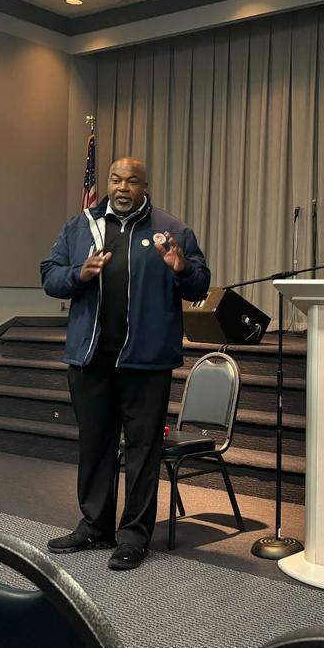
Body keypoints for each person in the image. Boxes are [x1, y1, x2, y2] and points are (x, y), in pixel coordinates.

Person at [40, 157, 210, 570]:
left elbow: (201, 285)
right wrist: (78, 274)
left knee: (142, 451)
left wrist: (181, 267)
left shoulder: (171, 230)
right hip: (90, 357)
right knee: (95, 445)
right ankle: (95, 526)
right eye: (116, 179)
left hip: (146, 361)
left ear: (144, 186)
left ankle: (133, 535)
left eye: (132, 181)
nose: (122, 187)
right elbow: (49, 276)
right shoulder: (80, 226)